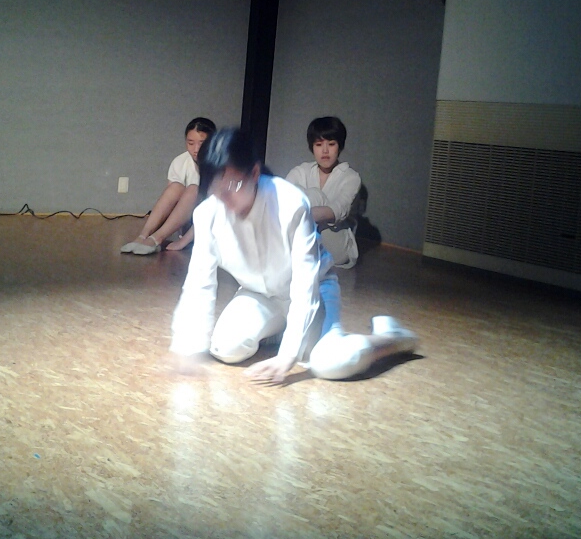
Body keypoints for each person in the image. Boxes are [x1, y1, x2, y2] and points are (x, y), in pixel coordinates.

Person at [169, 127, 417, 384]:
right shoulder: (208, 214)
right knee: (225, 347)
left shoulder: (290, 203)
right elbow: (199, 283)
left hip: (315, 290)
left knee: (330, 363)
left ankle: (390, 336)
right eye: (217, 189)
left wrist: (287, 355)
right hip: (258, 293)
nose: (226, 198)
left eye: (233, 185)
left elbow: (305, 284)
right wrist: (187, 347)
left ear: (254, 173)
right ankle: (281, 331)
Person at [121, 117, 217, 255]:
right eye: (190, 143)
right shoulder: (181, 161)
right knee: (176, 187)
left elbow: (214, 210)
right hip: (185, 223)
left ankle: (157, 239)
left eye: (202, 143)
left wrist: (183, 241)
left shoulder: (221, 166)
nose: (196, 149)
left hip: (211, 226)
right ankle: (143, 236)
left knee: (194, 189)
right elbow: (170, 202)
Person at [286, 116, 362, 269]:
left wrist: (303, 215)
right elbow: (283, 198)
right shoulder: (302, 171)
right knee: (293, 193)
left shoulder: (351, 177)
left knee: (314, 196)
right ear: (312, 147)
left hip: (335, 244)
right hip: (305, 240)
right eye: (319, 144)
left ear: (339, 146)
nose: (325, 150)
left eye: (331, 144)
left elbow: (339, 209)